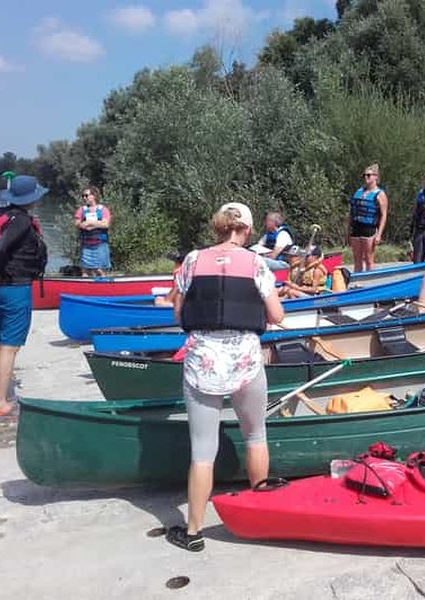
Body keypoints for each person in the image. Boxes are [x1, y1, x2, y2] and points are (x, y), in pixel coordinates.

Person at [169, 202, 284, 552]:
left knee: (202, 451)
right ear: (246, 230)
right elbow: (276, 315)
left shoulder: (192, 260)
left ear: (217, 227)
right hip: (245, 359)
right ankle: (261, 515)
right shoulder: (256, 263)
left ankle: (193, 532)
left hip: (204, 359)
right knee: (256, 435)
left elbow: (178, 313)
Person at [0, 175, 48, 420]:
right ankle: (0, 404)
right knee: (10, 348)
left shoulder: (1, 215)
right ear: (31, 199)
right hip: (15, 288)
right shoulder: (21, 222)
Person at [347, 163, 388, 272]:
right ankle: (358, 283)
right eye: (364, 175)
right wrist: (347, 229)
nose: (366, 177)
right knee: (357, 259)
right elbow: (351, 212)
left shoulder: (380, 194)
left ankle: (370, 282)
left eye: (369, 175)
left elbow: (384, 215)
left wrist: (379, 234)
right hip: (356, 227)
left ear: (376, 177)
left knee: (369, 258)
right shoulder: (359, 192)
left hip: (369, 228)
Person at [74, 186, 111, 277]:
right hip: (86, 245)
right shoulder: (81, 210)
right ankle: (85, 289)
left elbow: (106, 224)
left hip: (100, 245)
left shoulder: (103, 210)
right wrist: (97, 223)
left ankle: (103, 288)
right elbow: (78, 224)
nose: (84, 198)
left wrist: (89, 222)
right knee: (85, 271)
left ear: (93, 196)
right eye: (83, 196)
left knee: (100, 270)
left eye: (86, 195)